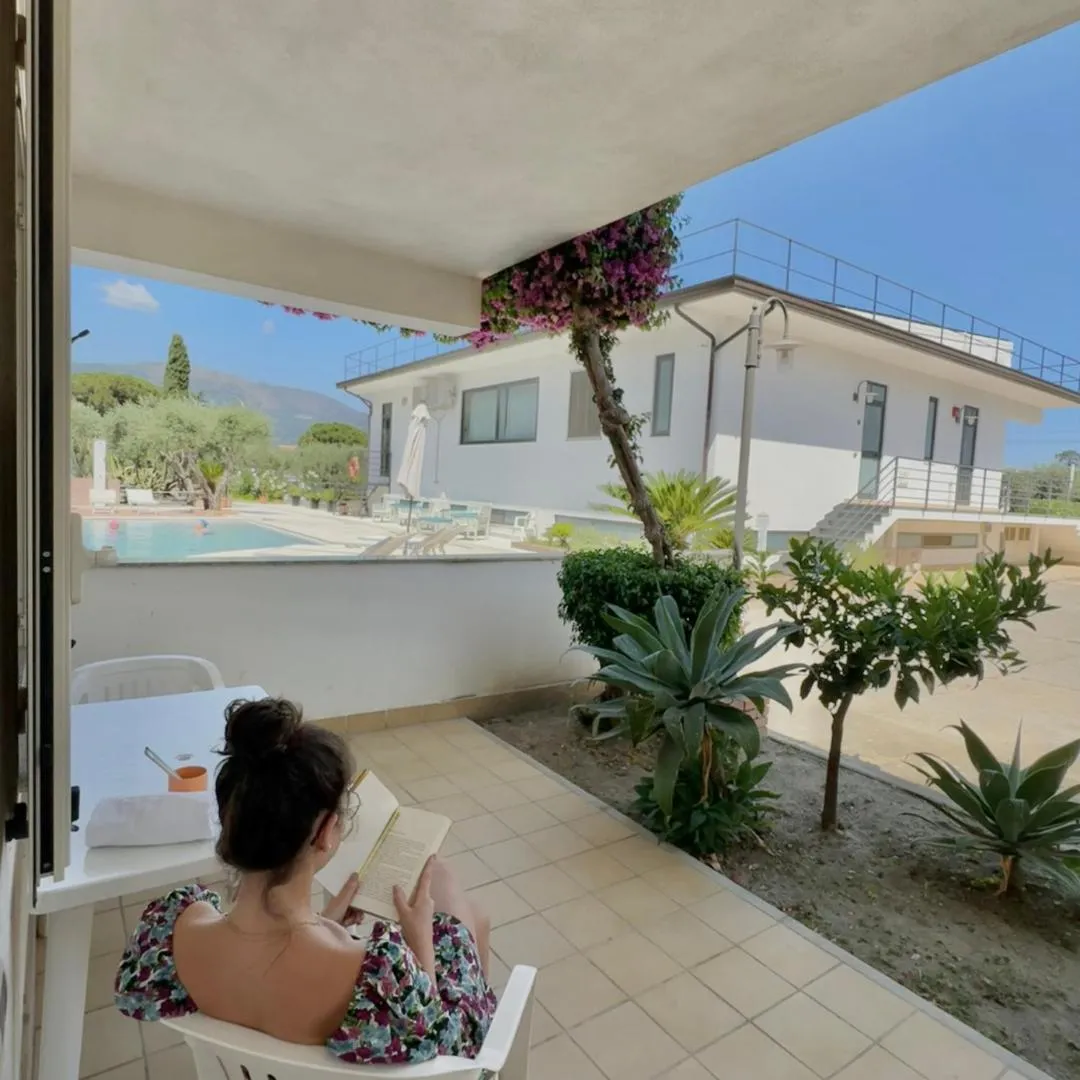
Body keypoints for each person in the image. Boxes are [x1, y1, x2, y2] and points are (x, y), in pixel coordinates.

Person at [114, 697, 496, 1065]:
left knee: (470, 915)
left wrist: (323, 924)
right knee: (459, 911)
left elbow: (140, 992)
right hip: (421, 1032)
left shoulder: (169, 931)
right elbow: (435, 1041)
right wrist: (419, 949)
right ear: (326, 832)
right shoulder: (379, 975)